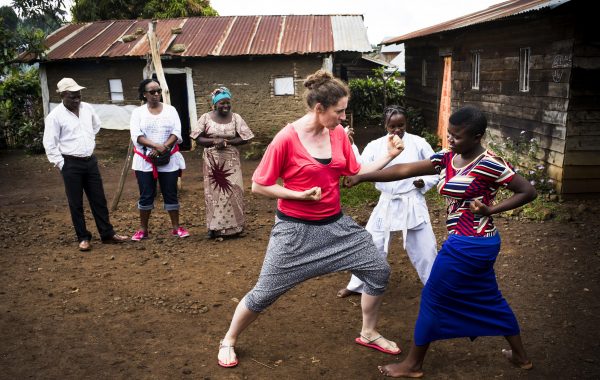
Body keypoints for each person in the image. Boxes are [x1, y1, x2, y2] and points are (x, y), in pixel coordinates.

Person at [217, 70, 405, 368]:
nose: (344, 117)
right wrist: (298, 195)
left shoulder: (339, 134)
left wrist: (389, 155)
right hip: (294, 232)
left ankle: (368, 332)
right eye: (339, 111)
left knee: (378, 270)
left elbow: (355, 171)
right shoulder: (286, 139)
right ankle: (228, 339)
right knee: (264, 294)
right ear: (319, 109)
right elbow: (259, 184)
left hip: (336, 226)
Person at [345, 105, 536, 378]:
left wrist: (491, 210)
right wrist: (363, 176)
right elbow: (405, 169)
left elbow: (528, 191)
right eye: (449, 134)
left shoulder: (490, 163)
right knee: (489, 297)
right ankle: (521, 357)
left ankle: (412, 364)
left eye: (457, 137)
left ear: (478, 136)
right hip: (469, 242)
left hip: (470, 244)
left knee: (433, 298)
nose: (450, 140)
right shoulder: (447, 158)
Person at [337, 105, 439, 299]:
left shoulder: (419, 143)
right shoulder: (376, 145)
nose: (397, 130)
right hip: (387, 202)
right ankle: (357, 284)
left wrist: (423, 182)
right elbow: (361, 167)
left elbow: (436, 167)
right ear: (385, 125)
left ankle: (434, 286)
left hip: (412, 200)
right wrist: (350, 144)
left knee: (426, 248)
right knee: (371, 244)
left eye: (401, 125)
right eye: (392, 126)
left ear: (406, 123)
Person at [43, 78, 128, 251]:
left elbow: (96, 126)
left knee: (99, 199)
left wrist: (87, 141)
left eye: (78, 96)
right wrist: (61, 164)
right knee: (76, 202)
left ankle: (107, 234)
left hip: (90, 161)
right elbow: (50, 144)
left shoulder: (87, 108)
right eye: (72, 96)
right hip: (70, 163)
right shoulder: (54, 117)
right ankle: (83, 237)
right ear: (61, 95)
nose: (76, 99)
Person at [190, 87, 254, 238]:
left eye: (228, 103)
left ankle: (236, 227)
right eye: (222, 103)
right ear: (214, 104)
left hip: (231, 161)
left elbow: (246, 137)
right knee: (214, 194)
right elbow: (197, 138)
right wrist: (214, 141)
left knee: (233, 191)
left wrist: (227, 142)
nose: (225, 106)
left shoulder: (236, 118)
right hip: (212, 162)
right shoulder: (205, 117)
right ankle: (213, 228)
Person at [130, 79, 189, 241]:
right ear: (144, 94)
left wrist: (164, 147)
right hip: (145, 160)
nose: (156, 94)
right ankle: (143, 229)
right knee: (146, 194)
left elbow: (177, 132)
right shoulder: (138, 113)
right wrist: (155, 146)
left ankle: (176, 228)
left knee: (170, 193)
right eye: (152, 92)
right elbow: (136, 135)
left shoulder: (170, 110)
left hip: (168, 157)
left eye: (158, 91)